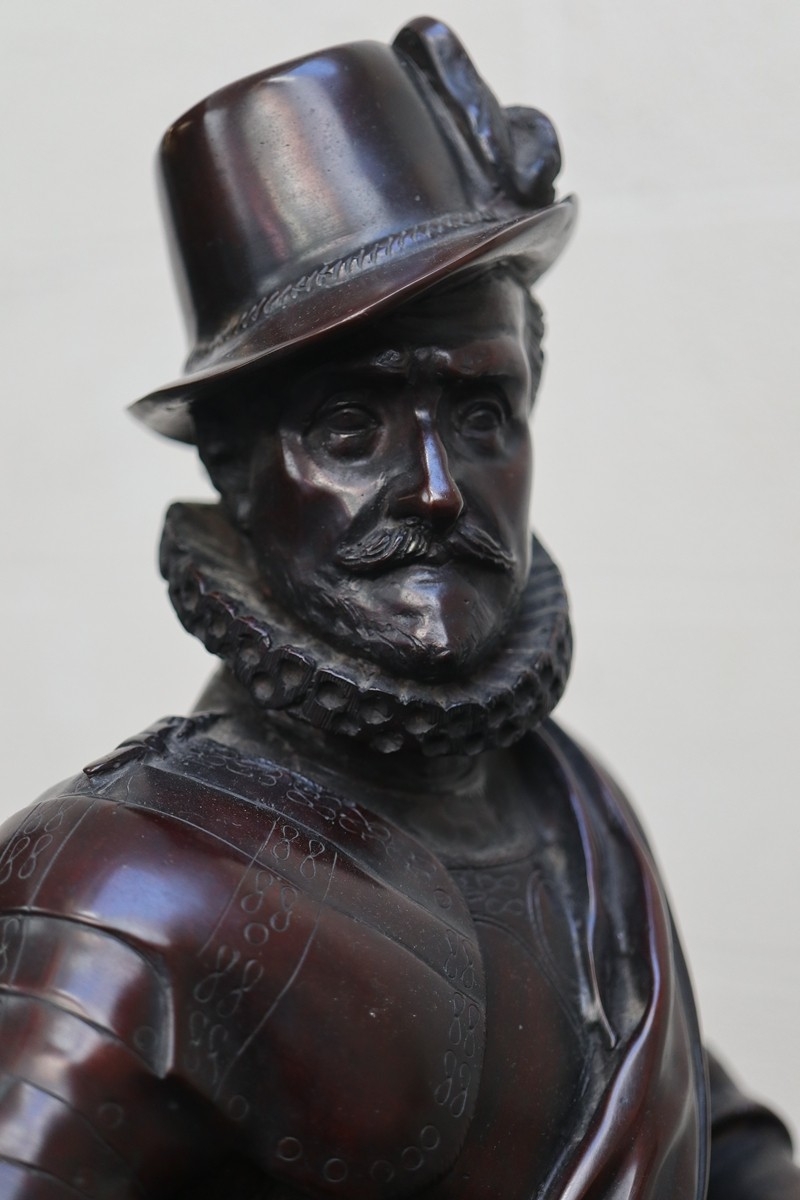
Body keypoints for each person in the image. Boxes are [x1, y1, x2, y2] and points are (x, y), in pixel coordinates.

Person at [0, 17, 796, 1200]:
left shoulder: (565, 797)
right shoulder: (114, 894)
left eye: (480, 416)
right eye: (348, 428)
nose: (435, 490)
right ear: (236, 468)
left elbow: (705, 1133)